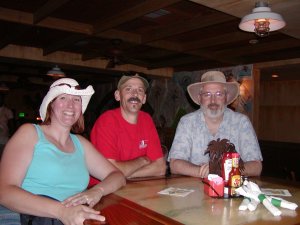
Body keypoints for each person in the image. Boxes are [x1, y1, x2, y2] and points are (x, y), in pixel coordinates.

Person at [0, 78, 126, 225]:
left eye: (76, 99)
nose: (70, 105)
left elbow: (118, 176)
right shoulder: (30, 133)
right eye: (63, 98)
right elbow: (4, 191)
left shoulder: (81, 143)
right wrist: (62, 212)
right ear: (51, 104)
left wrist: (97, 191)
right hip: (27, 217)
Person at [168, 71, 262, 178]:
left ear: (226, 97)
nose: (213, 101)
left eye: (219, 94)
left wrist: (225, 170)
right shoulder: (187, 122)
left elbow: (256, 166)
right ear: (199, 98)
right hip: (194, 191)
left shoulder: (242, 122)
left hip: (232, 191)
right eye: (207, 94)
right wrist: (203, 172)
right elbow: (174, 164)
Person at [89, 74, 166, 185]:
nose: (135, 94)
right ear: (117, 95)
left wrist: (124, 173)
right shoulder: (107, 121)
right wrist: (142, 160)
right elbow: (108, 172)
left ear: (144, 98)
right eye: (128, 89)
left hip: (135, 187)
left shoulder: (146, 119)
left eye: (140, 90)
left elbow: (160, 168)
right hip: (103, 191)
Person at [0, 92, 14, 158]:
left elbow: (11, 124)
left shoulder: (7, 111)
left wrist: (12, 136)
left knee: (3, 156)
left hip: (3, 137)